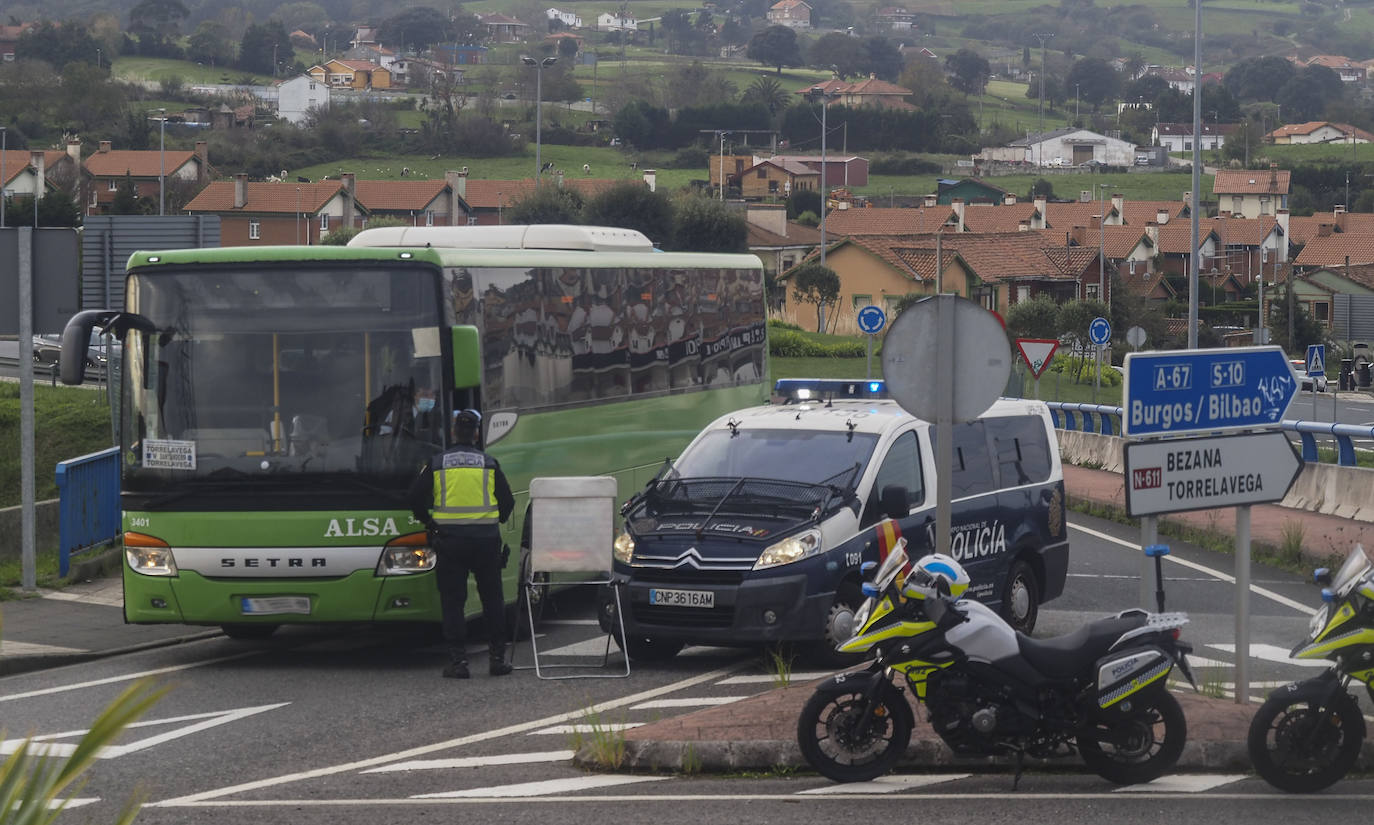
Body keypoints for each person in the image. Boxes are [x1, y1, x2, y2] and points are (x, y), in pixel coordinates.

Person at [408, 409, 516, 678]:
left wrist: (430, 522)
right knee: (492, 600)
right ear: (477, 433)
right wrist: (495, 520)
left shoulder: (437, 463)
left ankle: (459, 662)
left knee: (454, 602)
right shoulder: (489, 463)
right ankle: (497, 660)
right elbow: (508, 502)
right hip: (486, 542)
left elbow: (414, 498)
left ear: (454, 432)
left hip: (450, 541)